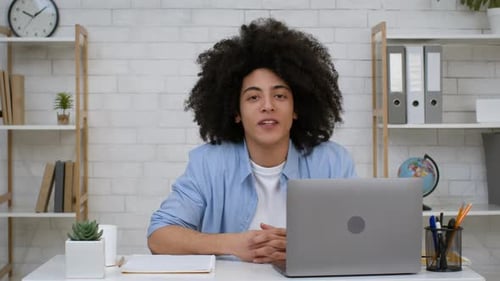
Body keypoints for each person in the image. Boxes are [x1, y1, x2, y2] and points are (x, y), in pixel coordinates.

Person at [147, 18, 356, 264]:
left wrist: (305, 247)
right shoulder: (208, 163)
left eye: (279, 95)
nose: (268, 106)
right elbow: (159, 236)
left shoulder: (332, 161)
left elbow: (357, 235)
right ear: (236, 112)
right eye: (253, 97)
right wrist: (232, 244)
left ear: (296, 108)